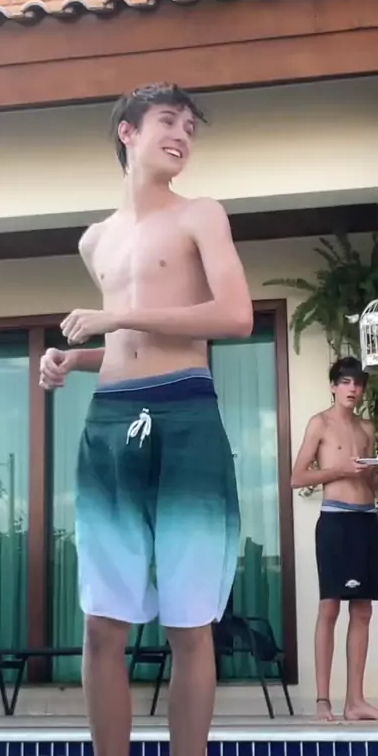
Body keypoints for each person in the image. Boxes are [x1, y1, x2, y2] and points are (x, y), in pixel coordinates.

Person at [39, 82, 253, 756]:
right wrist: (74, 359)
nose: (182, 135)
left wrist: (119, 316)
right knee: (103, 624)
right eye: (168, 121)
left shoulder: (201, 215)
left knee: (189, 626)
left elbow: (235, 316)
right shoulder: (94, 240)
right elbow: (125, 343)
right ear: (127, 132)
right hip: (113, 421)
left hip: (185, 415)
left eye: (190, 127)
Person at [291, 356, 378, 722]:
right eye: (345, 382)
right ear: (333, 386)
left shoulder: (367, 428)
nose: (352, 388)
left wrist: (371, 473)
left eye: (357, 383)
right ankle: (323, 700)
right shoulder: (320, 423)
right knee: (329, 607)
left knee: (363, 609)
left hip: (367, 519)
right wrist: (339, 469)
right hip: (335, 521)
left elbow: (372, 484)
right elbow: (297, 477)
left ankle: (355, 701)